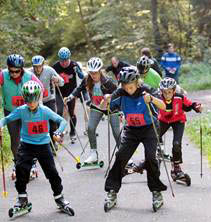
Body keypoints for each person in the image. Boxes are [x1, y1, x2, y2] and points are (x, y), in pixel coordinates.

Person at [0, 81, 74, 216]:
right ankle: (22, 199)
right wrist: (0, 126)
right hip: (26, 145)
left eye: (34, 99)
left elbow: (62, 121)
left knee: (52, 173)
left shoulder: (45, 111)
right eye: (28, 99)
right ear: (25, 98)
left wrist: (58, 133)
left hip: (43, 145)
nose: (31, 103)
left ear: (38, 98)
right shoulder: (21, 110)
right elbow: (6, 119)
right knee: (21, 170)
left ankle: (59, 197)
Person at [103, 66, 167, 212]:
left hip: (149, 128)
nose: (128, 90)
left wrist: (151, 99)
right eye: (125, 87)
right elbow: (107, 108)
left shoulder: (147, 89)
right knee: (121, 156)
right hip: (131, 129)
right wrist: (106, 100)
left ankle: (156, 192)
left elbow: (163, 106)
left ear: (137, 82)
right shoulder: (120, 93)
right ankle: (112, 191)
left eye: (131, 87)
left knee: (151, 158)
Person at [0, 54, 45, 180]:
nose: (13, 74)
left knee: (29, 138)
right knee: (15, 141)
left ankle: (32, 163)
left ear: (21, 69)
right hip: (11, 112)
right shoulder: (3, 75)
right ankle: (18, 163)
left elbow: (41, 89)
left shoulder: (29, 76)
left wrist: (35, 104)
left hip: (27, 111)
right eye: (11, 71)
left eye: (17, 71)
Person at [64, 57, 120, 164]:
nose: (93, 75)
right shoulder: (87, 79)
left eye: (95, 73)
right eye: (91, 73)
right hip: (96, 107)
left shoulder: (108, 81)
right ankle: (93, 154)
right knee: (90, 128)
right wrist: (70, 97)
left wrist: (111, 99)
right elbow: (79, 89)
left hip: (110, 107)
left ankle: (123, 154)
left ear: (100, 71)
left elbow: (118, 93)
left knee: (116, 132)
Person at [158, 78, 202, 183]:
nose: (167, 94)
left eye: (169, 92)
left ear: (174, 91)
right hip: (163, 120)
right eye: (165, 92)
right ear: (161, 92)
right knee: (152, 138)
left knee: (177, 144)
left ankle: (176, 167)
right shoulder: (158, 98)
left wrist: (197, 107)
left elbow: (191, 104)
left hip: (178, 121)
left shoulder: (179, 97)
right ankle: (154, 160)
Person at [28, 55, 64, 152]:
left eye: (39, 66)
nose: (37, 68)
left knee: (52, 122)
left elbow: (62, 82)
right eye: (35, 66)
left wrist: (57, 80)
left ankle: (53, 144)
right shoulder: (29, 72)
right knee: (38, 123)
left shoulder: (49, 70)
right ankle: (42, 145)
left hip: (49, 100)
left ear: (43, 65)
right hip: (35, 101)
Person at [52, 47, 83, 143]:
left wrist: (78, 70)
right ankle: (59, 132)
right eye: (62, 60)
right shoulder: (55, 66)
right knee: (59, 112)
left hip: (71, 93)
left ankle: (72, 132)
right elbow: (50, 77)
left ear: (69, 58)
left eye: (66, 60)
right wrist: (53, 80)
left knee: (71, 112)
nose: (64, 63)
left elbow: (82, 76)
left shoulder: (74, 64)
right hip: (59, 92)